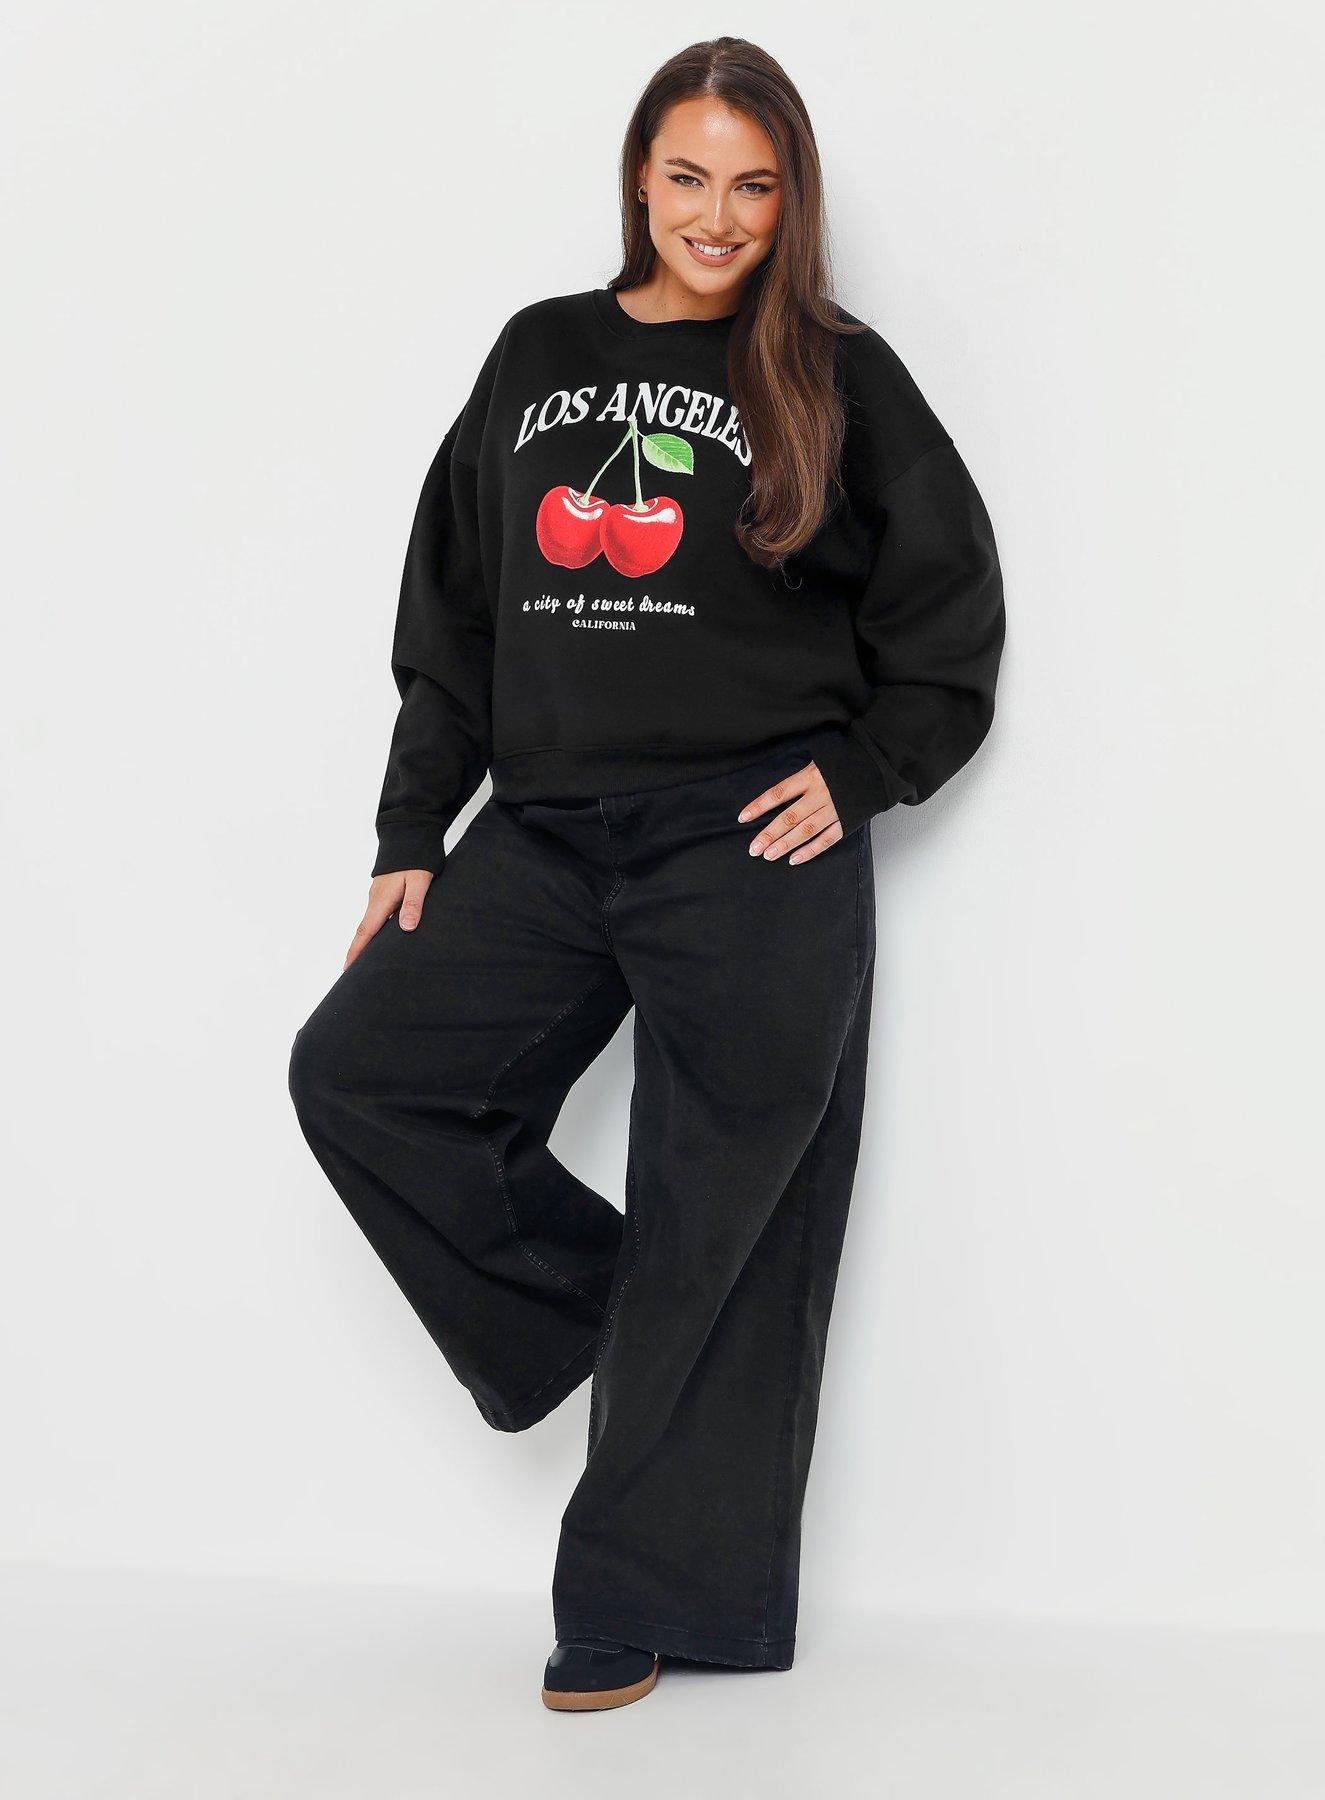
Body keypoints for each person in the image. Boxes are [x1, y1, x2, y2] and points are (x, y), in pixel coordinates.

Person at [288, 34, 1005, 1714]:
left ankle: (637, 1606)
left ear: (790, 197)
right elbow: (454, 612)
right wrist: (411, 833)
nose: (718, 215)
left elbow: (952, 612)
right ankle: (614, 1313)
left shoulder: (839, 373)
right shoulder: (541, 350)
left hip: (747, 845)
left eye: (753, 185)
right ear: (638, 176)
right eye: (688, 177)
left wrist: (862, 770)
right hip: (543, 831)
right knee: (362, 1075)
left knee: (729, 1207)